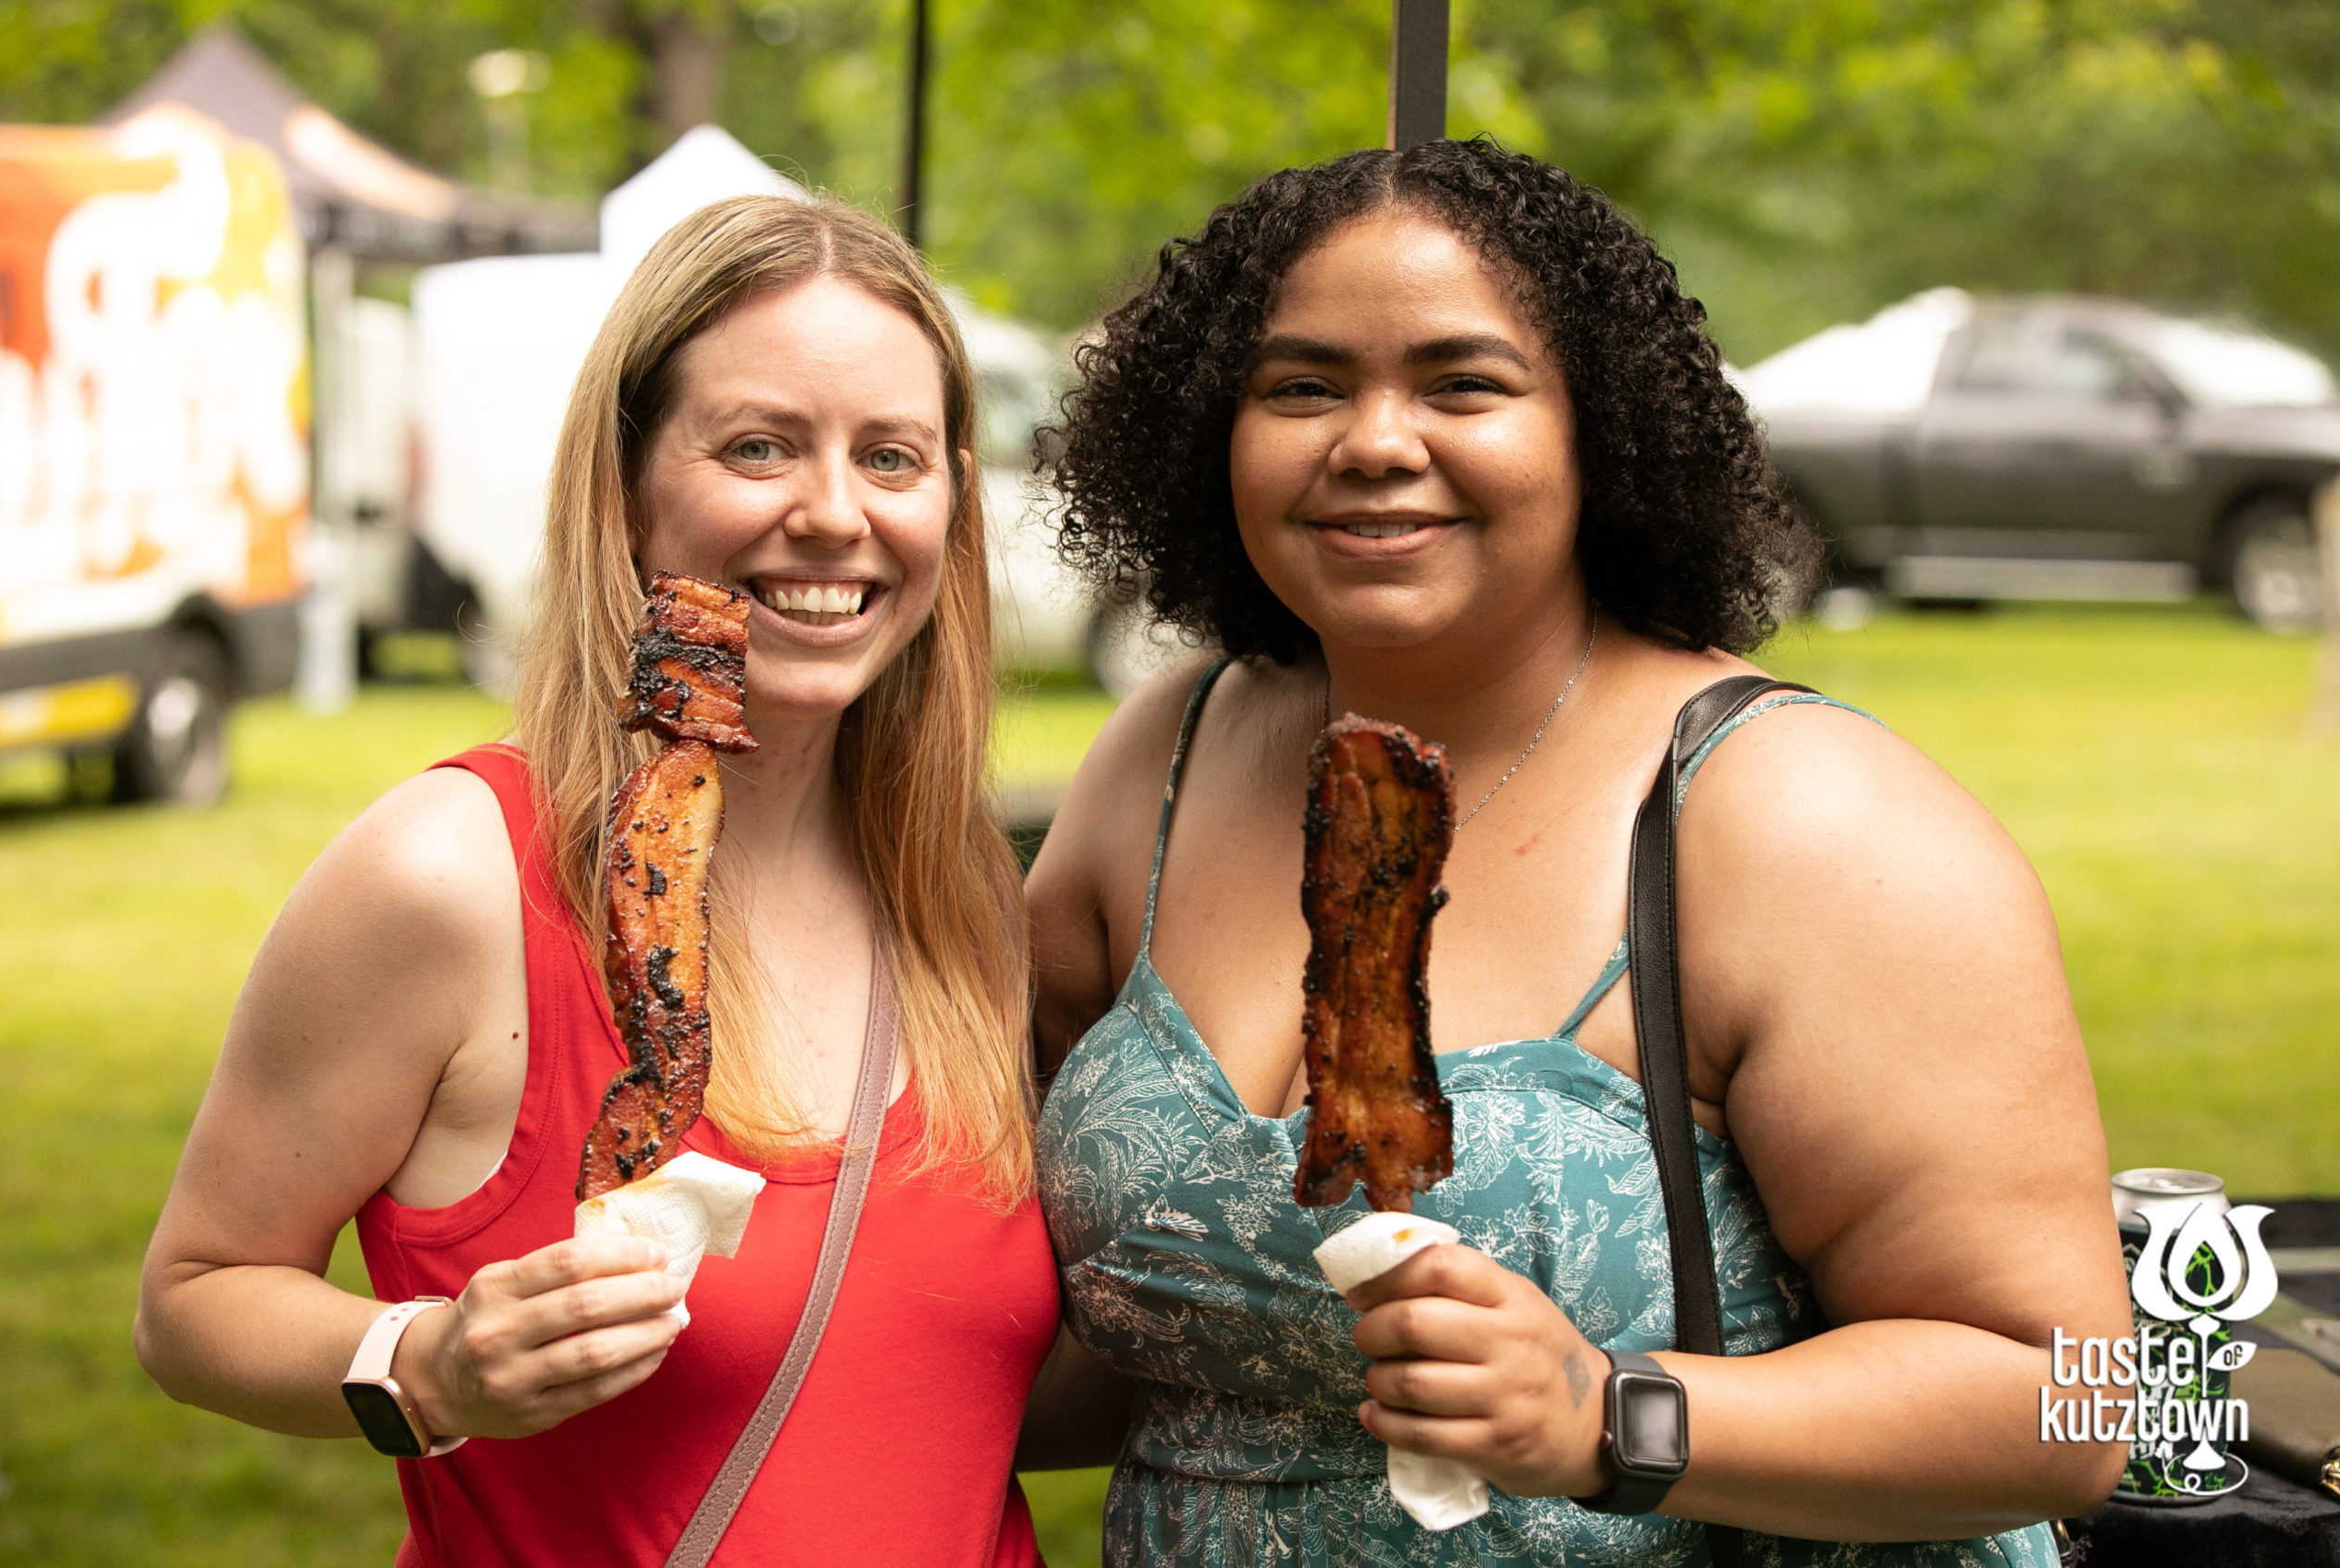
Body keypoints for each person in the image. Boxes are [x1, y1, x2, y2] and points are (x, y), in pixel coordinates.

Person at [1027, 141, 2131, 1564]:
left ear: (1597, 433)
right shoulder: (1165, 756)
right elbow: (1064, 1326)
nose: (1371, 440)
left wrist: (1609, 1416)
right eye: (1300, 385)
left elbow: (2076, 1410)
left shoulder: (1804, 818)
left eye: (1461, 383)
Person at [136, 195, 1057, 1566]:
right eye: (758, 447)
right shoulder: (450, 873)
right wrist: (429, 1367)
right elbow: (193, 1299)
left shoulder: (963, 890)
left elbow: (951, 1383)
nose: (832, 514)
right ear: (627, 490)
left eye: (893, 457)